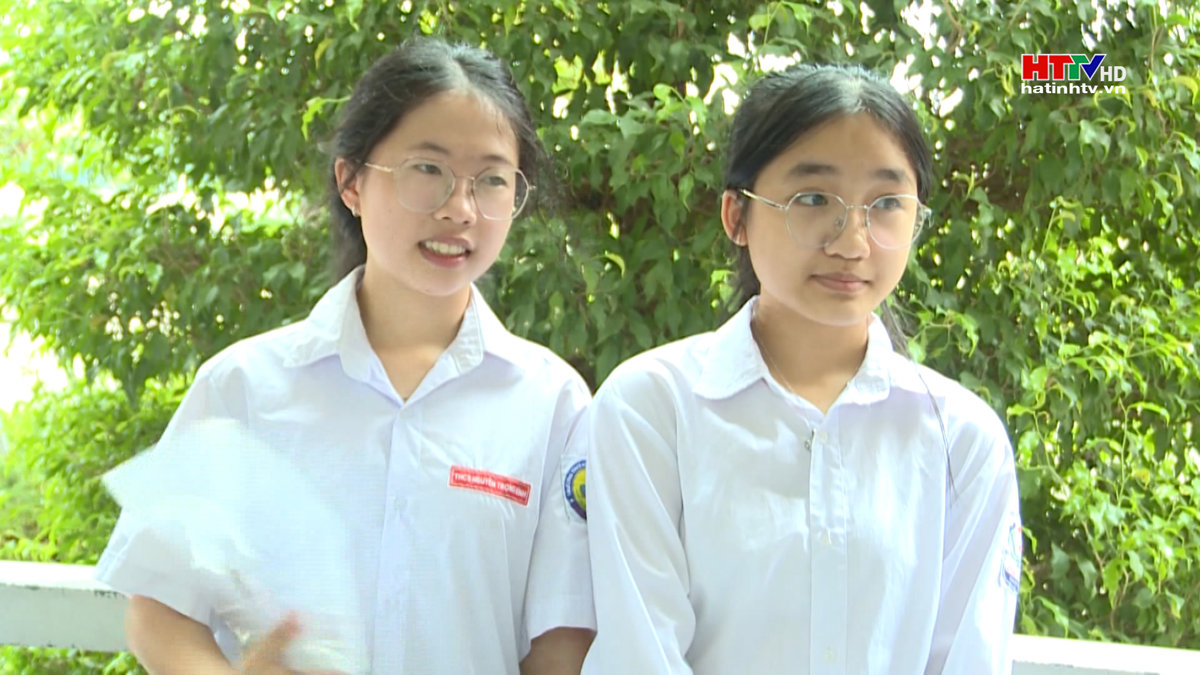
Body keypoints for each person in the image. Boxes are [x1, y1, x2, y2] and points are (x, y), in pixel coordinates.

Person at [96, 37, 594, 674]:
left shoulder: (552, 403)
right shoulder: (243, 387)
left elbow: (561, 642)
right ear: (351, 181)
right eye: (427, 169)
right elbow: (159, 612)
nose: (460, 209)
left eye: (492, 180)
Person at [580, 63, 1022, 674]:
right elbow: (641, 654)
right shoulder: (651, 409)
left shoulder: (962, 440)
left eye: (886, 204)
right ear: (736, 216)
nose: (852, 242)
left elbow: (969, 660)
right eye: (813, 199)